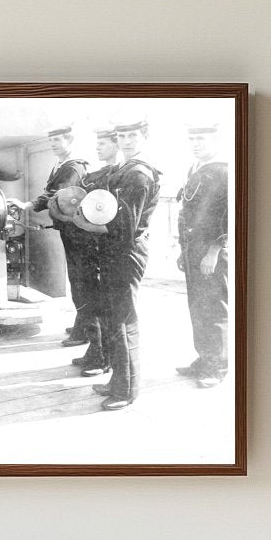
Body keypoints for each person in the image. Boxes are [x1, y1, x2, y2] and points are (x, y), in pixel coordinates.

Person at [90, 116, 161, 410]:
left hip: (125, 252)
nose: (126, 141)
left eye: (132, 135)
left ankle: (126, 390)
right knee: (112, 317)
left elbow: (125, 228)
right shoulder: (124, 169)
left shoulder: (138, 174)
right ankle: (118, 380)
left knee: (123, 320)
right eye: (121, 136)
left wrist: (88, 225)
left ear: (144, 137)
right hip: (114, 251)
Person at [17, 126, 93, 349]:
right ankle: (83, 324)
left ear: (70, 140)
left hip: (78, 232)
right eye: (51, 140)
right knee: (77, 281)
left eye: (58, 140)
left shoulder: (74, 167)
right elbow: (51, 192)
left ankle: (85, 330)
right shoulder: (60, 165)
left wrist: (30, 204)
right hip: (70, 230)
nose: (53, 144)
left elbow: (59, 193)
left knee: (81, 282)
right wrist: (30, 204)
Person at [177, 122, 229, 388]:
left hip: (211, 251)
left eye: (202, 139)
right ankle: (204, 358)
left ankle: (217, 367)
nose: (196, 144)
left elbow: (229, 216)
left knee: (214, 308)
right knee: (197, 307)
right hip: (192, 248)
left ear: (215, 140)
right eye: (193, 139)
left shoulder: (224, 171)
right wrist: (183, 251)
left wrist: (213, 251)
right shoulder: (195, 169)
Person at [74, 124, 122, 377]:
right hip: (91, 245)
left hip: (105, 247)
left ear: (116, 144)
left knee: (103, 303)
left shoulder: (118, 176)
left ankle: (104, 359)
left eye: (103, 143)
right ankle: (95, 350)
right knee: (90, 299)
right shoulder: (99, 174)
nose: (97, 148)